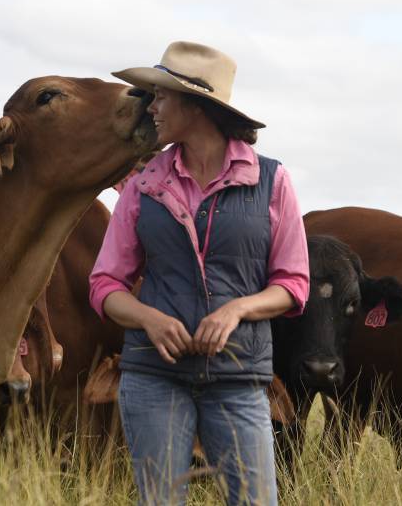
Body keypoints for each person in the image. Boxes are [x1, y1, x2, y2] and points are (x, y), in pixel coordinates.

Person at [89, 41, 310, 505]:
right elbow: (105, 284)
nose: (152, 107)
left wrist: (237, 310)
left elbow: (293, 284)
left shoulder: (271, 181)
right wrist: (148, 318)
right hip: (153, 376)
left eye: (162, 96)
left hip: (239, 377)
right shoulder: (143, 184)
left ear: (196, 105)